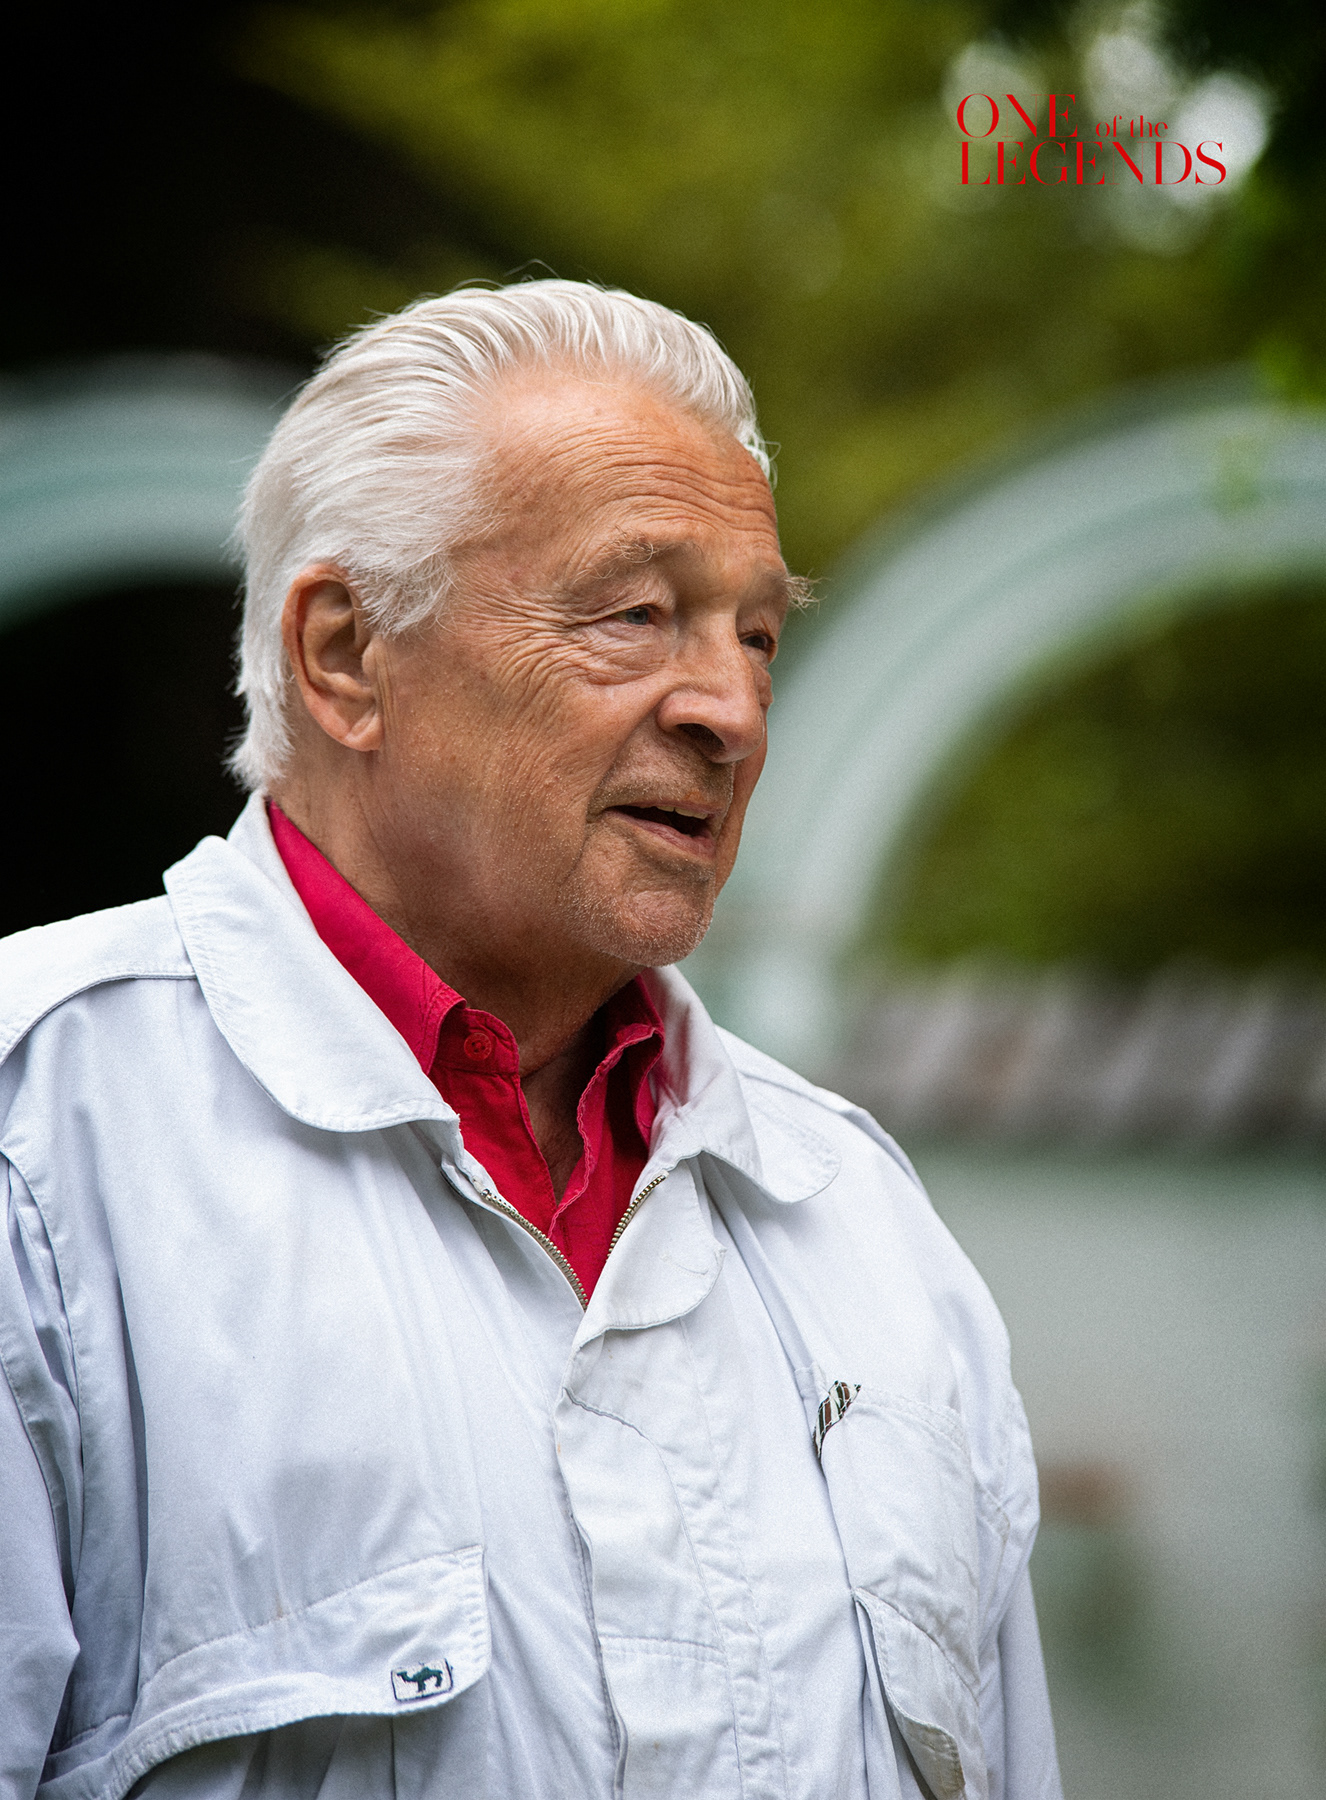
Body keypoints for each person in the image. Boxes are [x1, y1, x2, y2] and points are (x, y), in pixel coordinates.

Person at [0, 281, 1061, 1800]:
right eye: (635, 615)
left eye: (759, 634)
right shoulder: (42, 1139)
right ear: (345, 654)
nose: (732, 710)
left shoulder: (861, 1224)